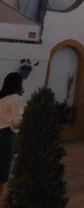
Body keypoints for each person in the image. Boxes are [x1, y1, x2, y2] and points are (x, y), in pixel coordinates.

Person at [0, 73, 24, 203]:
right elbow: (17, 120)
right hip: (6, 134)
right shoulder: (16, 98)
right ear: (18, 84)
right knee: (5, 165)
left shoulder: (2, 98)